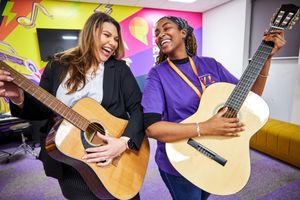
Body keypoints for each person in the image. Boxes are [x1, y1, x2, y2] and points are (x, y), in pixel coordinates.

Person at [0, 12, 144, 199]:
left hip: (115, 157)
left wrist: (123, 142)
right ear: (90, 33)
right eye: (107, 35)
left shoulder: (120, 69)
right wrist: (19, 96)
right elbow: (43, 109)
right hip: (70, 162)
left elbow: (138, 109)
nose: (113, 43)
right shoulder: (57, 65)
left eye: (116, 38)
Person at [141, 16, 286, 200]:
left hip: (216, 153)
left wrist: (267, 58)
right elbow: (152, 128)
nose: (161, 35)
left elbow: (249, 100)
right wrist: (206, 126)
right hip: (180, 159)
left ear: (183, 33)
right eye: (156, 33)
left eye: (166, 28)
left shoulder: (210, 65)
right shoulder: (157, 74)